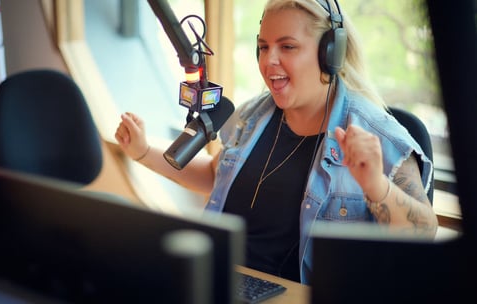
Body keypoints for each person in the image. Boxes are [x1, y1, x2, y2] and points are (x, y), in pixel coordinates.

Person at [115, 0, 438, 285]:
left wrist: (375, 184)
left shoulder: (378, 137)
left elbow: (423, 231)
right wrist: (142, 152)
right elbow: (217, 176)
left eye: (287, 47)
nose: (269, 61)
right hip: (224, 281)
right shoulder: (253, 115)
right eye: (263, 46)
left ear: (329, 54)